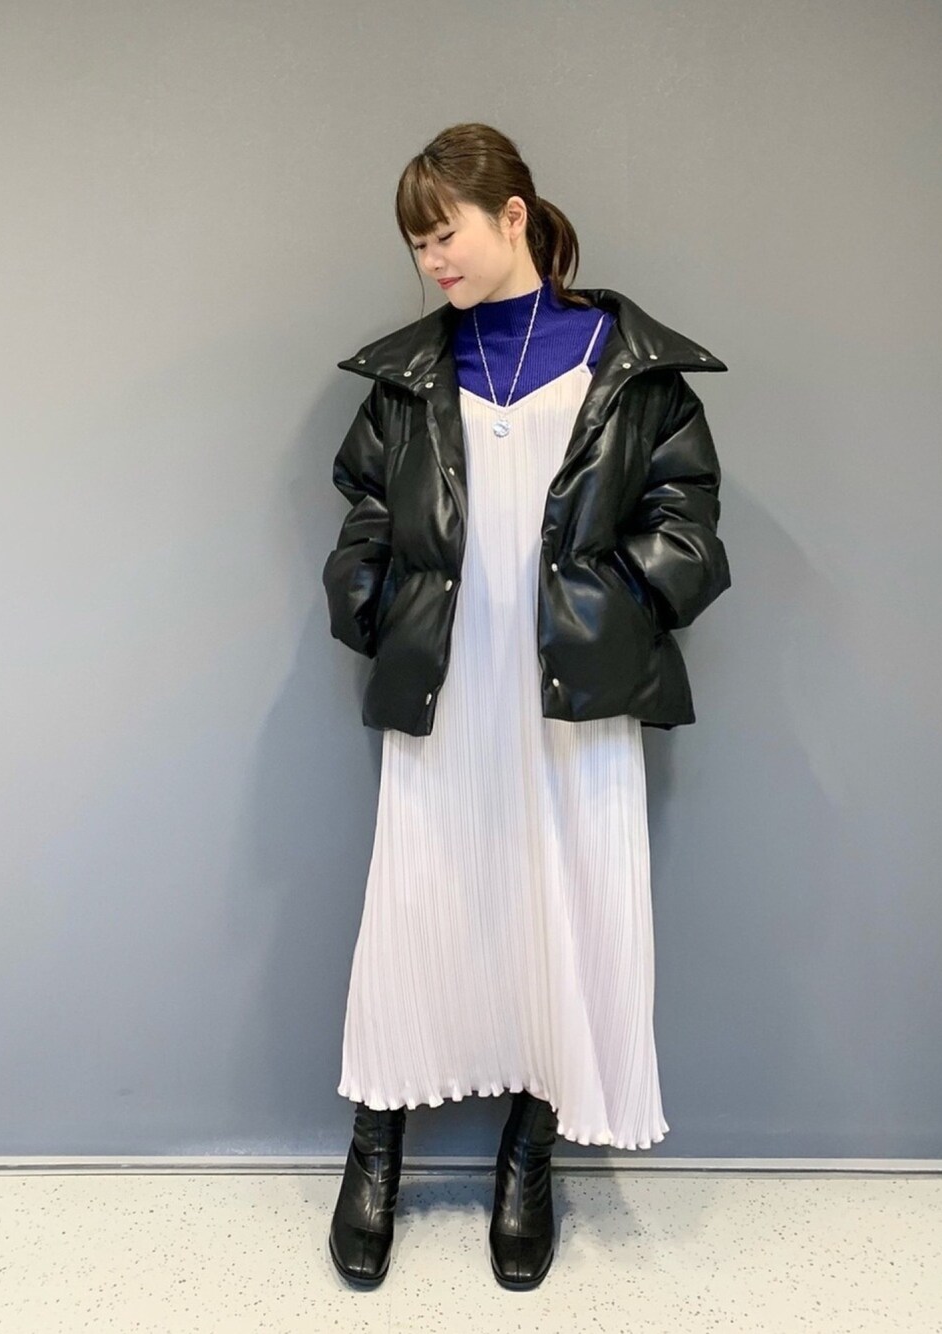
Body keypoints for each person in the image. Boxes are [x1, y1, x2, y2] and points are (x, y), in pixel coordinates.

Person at [321, 122, 731, 1291]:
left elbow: (689, 524)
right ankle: (375, 1143)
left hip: (574, 692)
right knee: (417, 907)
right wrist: (372, 601)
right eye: (415, 244)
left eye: (443, 232)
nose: (430, 260)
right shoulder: (408, 377)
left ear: (513, 216)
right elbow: (363, 512)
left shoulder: (625, 364)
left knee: (570, 909)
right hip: (445, 682)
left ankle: (528, 1155)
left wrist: (611, 605)